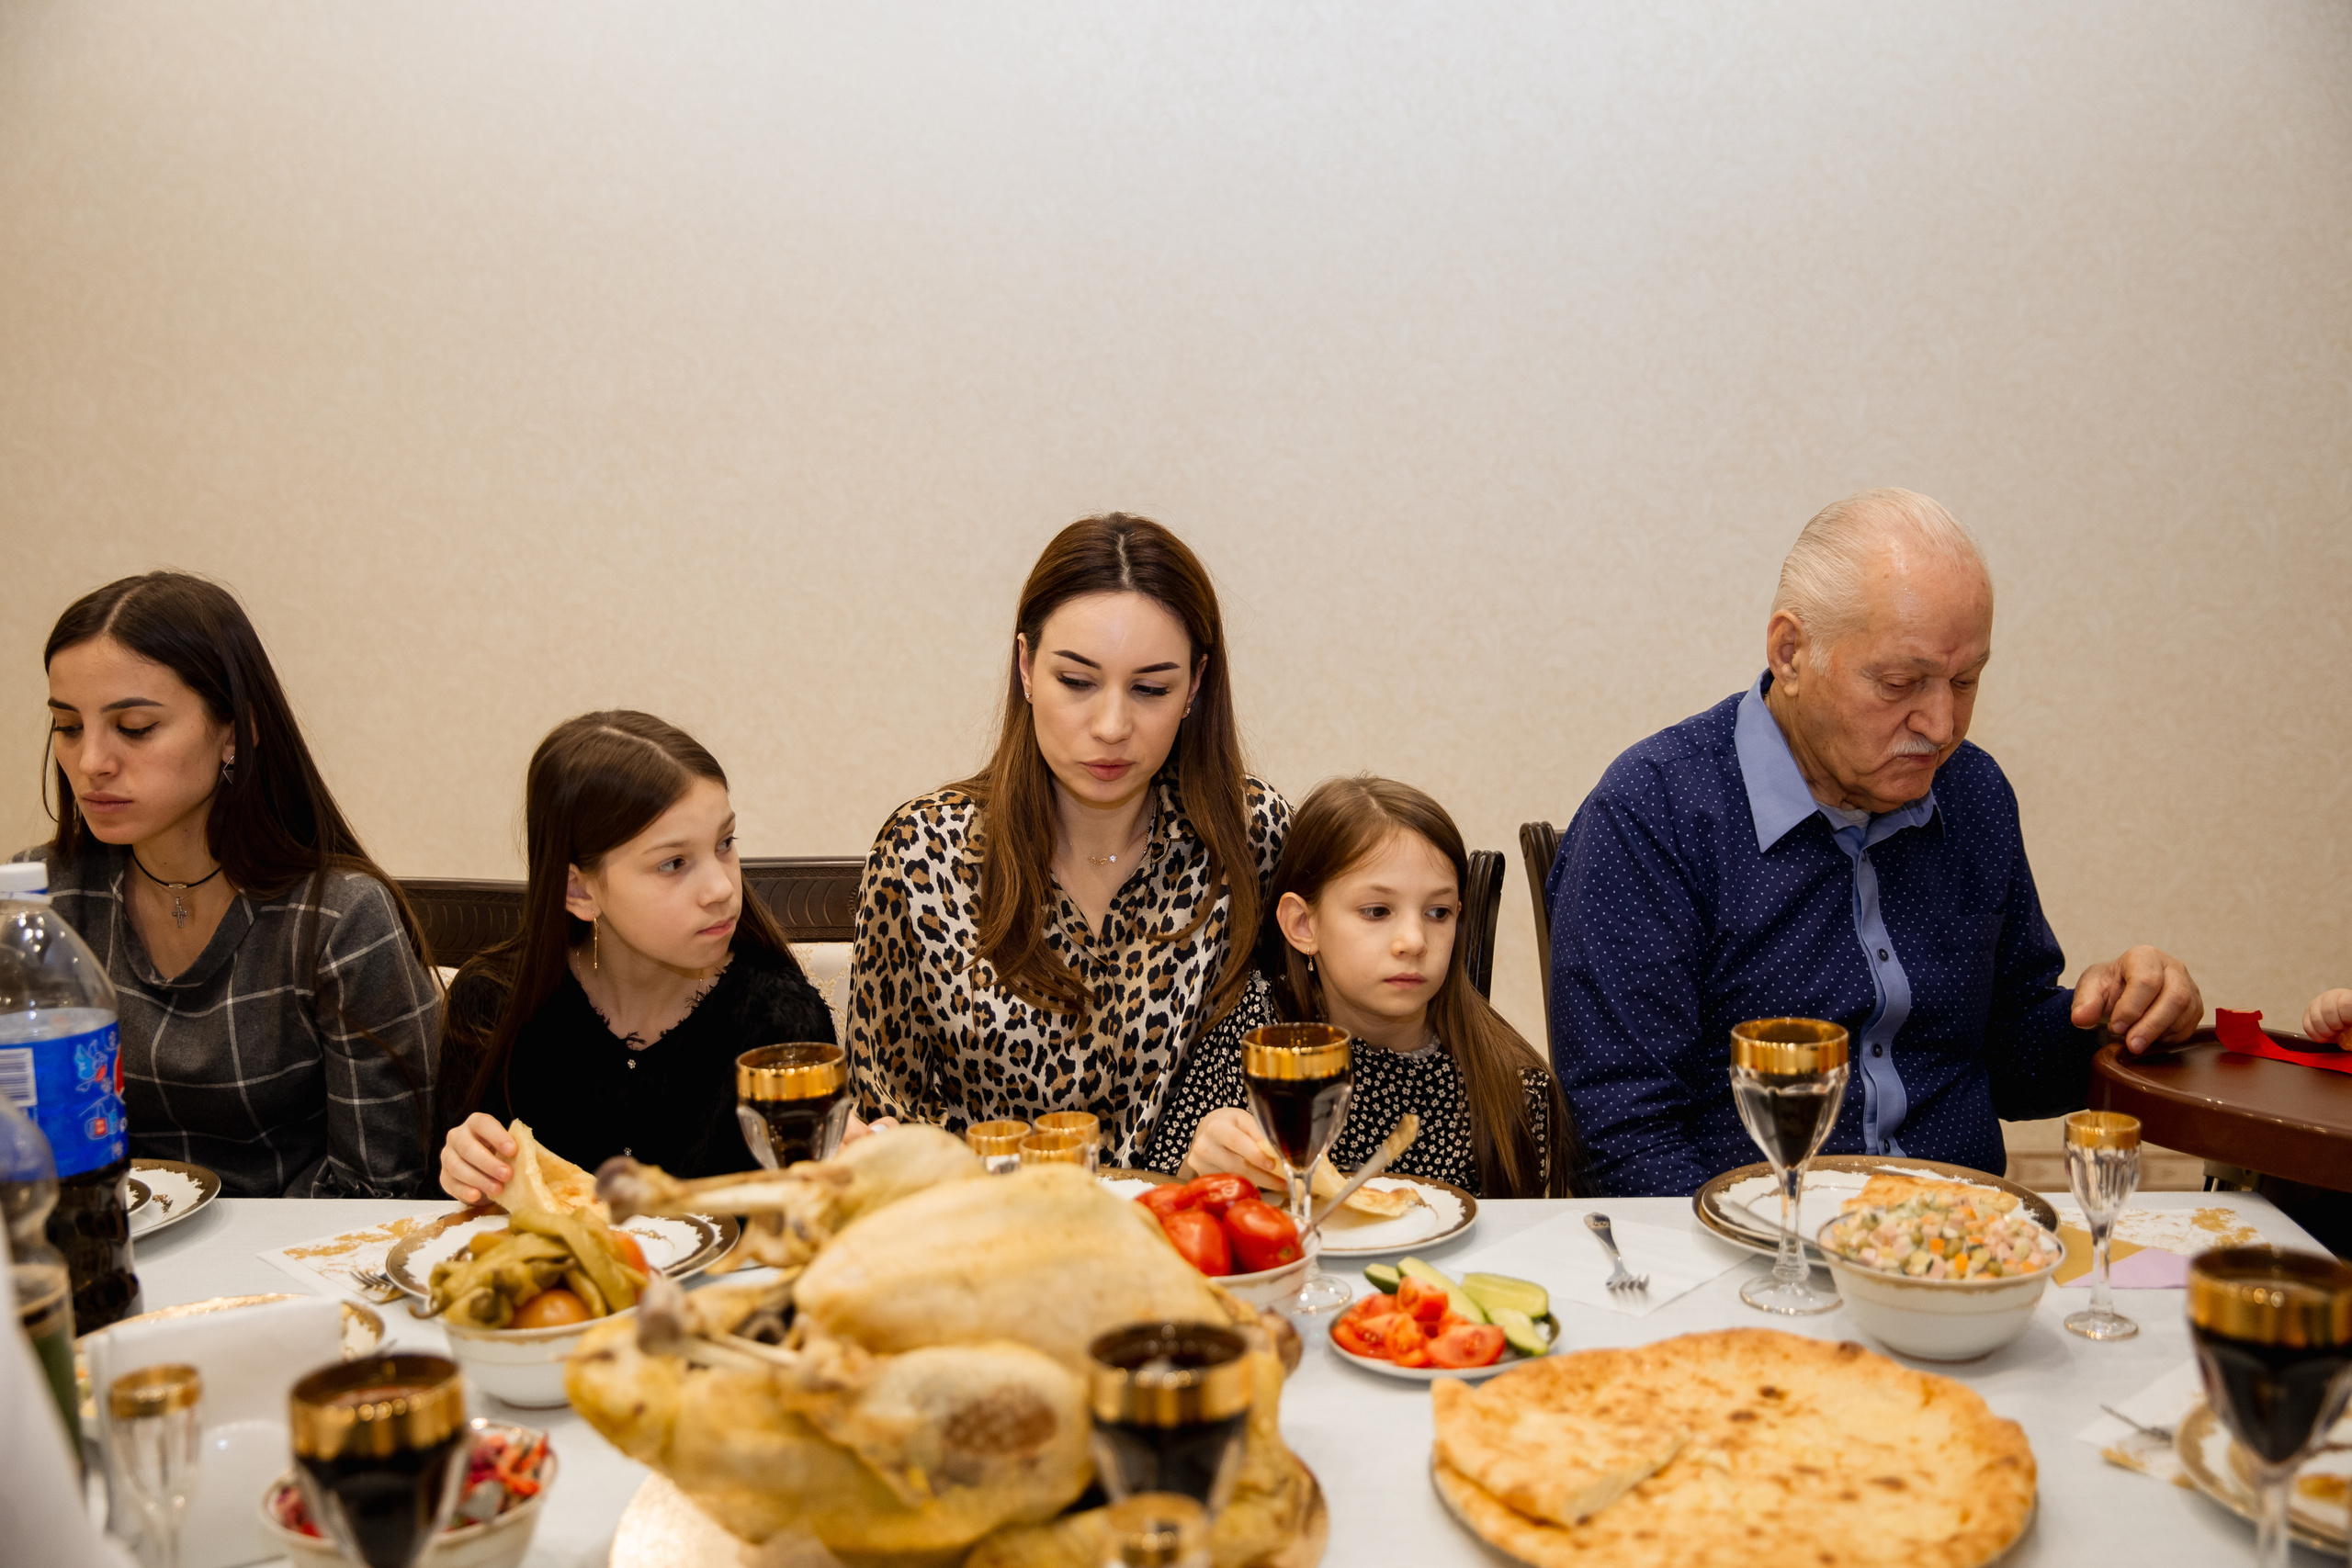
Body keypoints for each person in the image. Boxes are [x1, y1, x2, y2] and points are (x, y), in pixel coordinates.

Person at [1546, 490, 2205, 1196]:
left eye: (1965, 680)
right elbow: (1619, 1133)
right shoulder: (1655, 811)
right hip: (1755, 1240)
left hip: (1961, 1236)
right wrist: (1775, 1248)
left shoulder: (1974, 792)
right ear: (1791, 652)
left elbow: (2011, 1059)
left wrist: (2116, 1019)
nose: (1942, 725)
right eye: (1900, 683)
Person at [847, 514, 1289, 1167]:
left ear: (1195, 685)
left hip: (1198, 1224)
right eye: (1077, 682)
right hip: (989, 1224)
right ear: (1026, 667)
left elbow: (1307, 1066)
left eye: (1151, 688)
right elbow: (884, 1114)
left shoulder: (1250, 837)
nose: (1111, 725)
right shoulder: (922, 852)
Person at [31, 572, 436, 1198]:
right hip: (100, 1242)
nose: (91, 763)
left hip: (301, 1251)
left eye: (134, 726)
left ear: (235, 733)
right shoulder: (38, 906)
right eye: (68, 726)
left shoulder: (338, 917)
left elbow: (379, 1190)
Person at [436, 712, 835, 1200]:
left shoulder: (780, 1020)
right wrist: (465, 1173)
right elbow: (447, 1217)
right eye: (673, 863)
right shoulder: (492, 1003)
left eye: (725, 843)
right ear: (579, 890)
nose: (721, 888)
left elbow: (799, 1222)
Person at [1148, 777, 1581, 1198]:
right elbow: (1159, 1199)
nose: (1414, 941)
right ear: (1303, 925)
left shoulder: (1513, 1088)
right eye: (1377, 911)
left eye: (1438, 912)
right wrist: (1195, 1169)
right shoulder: (1254, 1041)